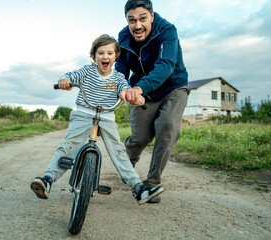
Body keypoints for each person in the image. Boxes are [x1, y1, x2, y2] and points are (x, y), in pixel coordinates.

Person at [31, 34, 164, 205]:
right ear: (94, 56)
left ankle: (138, 188)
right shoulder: (87, 71)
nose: (105, 57)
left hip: (107, 116)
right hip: (84, 113)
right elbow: (72, 75)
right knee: (69, 145)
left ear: (116, 56)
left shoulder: (118, 78)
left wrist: (134, 97)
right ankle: (48, 180)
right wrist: (65, 80)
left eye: (109, 53)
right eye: (100, 53)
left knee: (119, 151)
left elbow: (126, 89)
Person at [116, 0, 190, 203]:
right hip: (143, 92)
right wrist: (120, 88)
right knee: (140, 137)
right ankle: (126, 168)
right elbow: (121, 69)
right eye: (132, 20)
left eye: (142, 19)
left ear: (152, 16)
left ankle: (151, 183)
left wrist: (139, 87)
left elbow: (166, 65)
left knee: (167, 125)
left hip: (173, 87)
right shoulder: (123, 37)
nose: (137, 25)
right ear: (127, 21)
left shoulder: (167, 30)